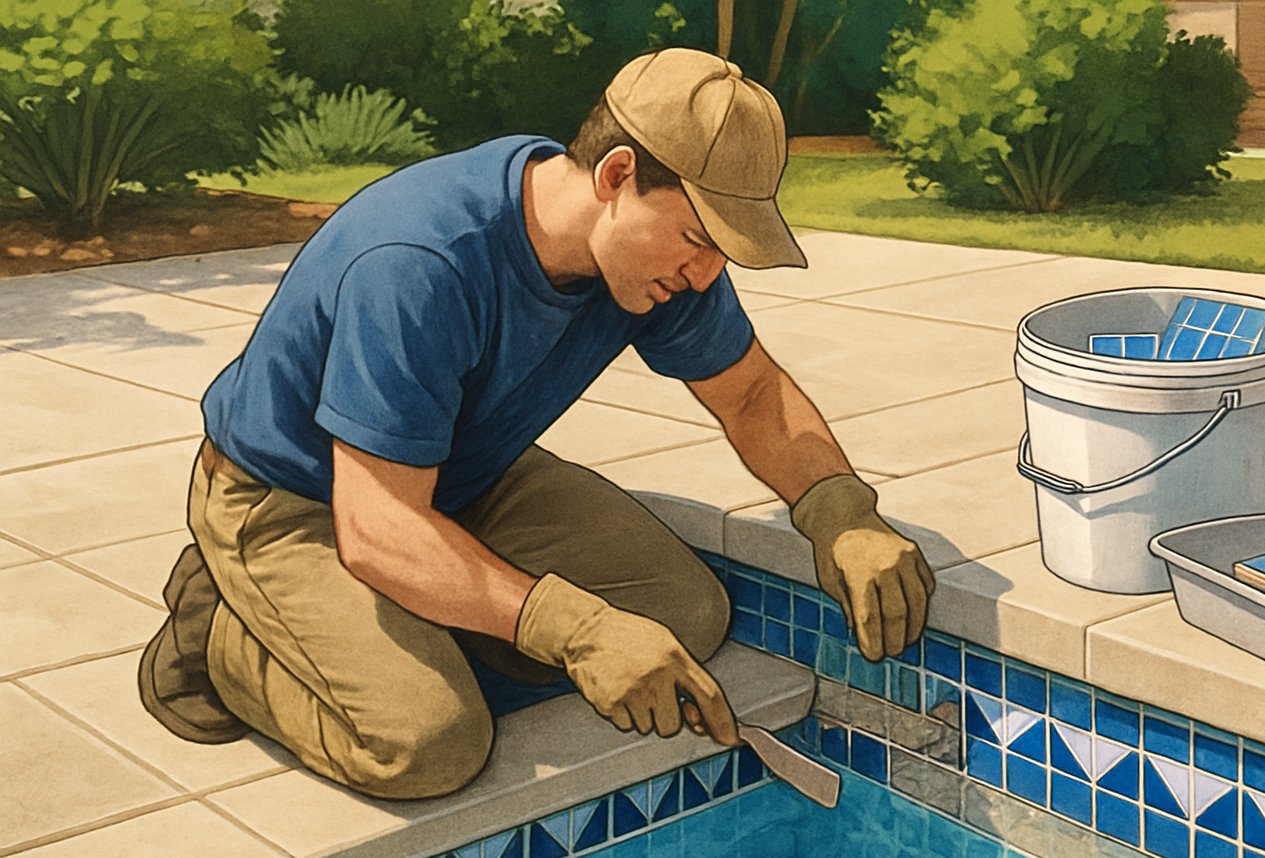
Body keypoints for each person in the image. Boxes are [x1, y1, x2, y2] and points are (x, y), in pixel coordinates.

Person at [138, 48, 934, 800]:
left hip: (461, 473)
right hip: (294, 502)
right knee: (428, 741)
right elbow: (376, 524)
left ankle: (421, 615)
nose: (705, 274)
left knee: (687, 614)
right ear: (618, 175)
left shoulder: (655, 261)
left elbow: (752, 395)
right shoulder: (421, 259)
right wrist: (576, 631)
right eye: (698, 238)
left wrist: (839, 510)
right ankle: (222, 636)